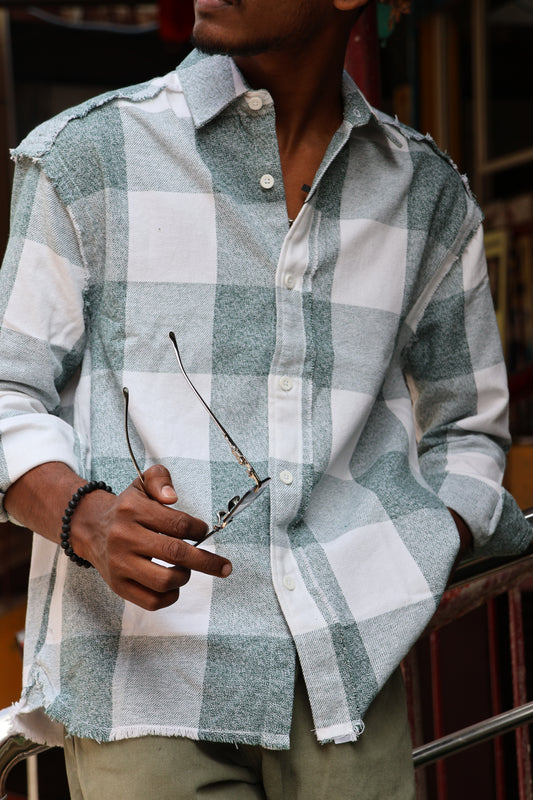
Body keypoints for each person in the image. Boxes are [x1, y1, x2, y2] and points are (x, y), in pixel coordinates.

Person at [0, 0, 531, 797]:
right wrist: (89, 518)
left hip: (347, 683)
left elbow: (470, 430)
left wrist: (404, 558)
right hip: (144, 680)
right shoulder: (88, 157)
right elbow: (8, 390)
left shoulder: (423, 195)